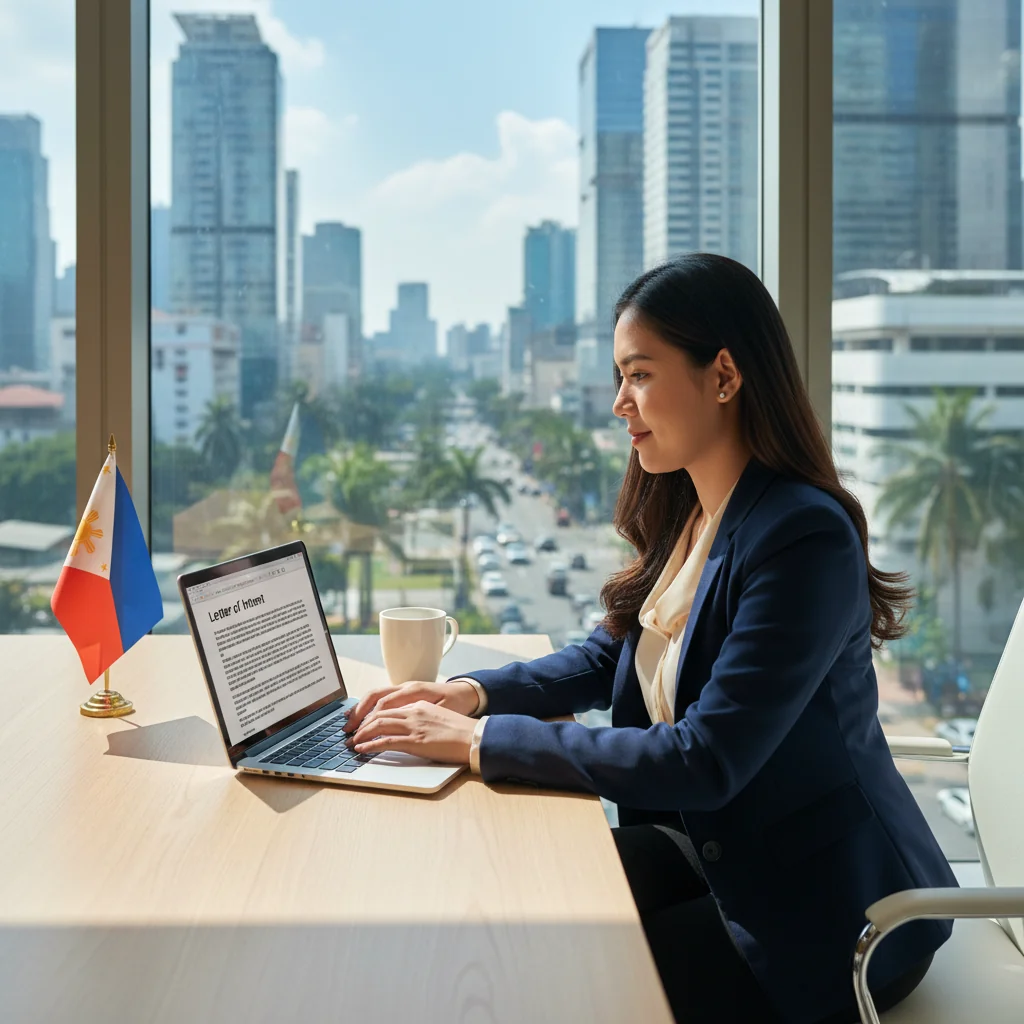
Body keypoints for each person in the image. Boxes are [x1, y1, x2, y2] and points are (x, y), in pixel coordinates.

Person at [343, 254, 958, 1024]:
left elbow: (706, 760)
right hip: (719, 858)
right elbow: (613, 656)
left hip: (827, 916)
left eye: (638, 375)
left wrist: (475, 740)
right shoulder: (697, 507)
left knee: (560, 983)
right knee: (514, 907)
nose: (618, 405)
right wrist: (468, 693)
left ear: (724, 376)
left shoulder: (803, 536)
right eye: (617, 378)